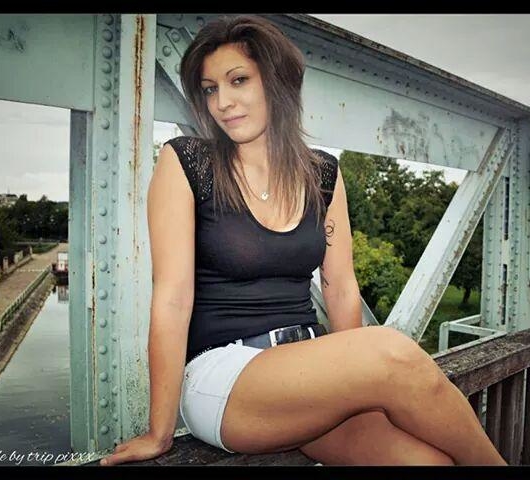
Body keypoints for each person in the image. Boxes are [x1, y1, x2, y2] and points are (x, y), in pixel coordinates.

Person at [100, 15, 507, 466]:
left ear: (277, 81)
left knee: (426, 464)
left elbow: (341, 287)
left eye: (238, 80)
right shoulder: (187, 162)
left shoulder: (322, 174)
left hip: (308, 369)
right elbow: (173, 299)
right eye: (210, 88)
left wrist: (361, 378)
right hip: (225, 377)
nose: (223, 102)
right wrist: (159, 432)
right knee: (391, 351)